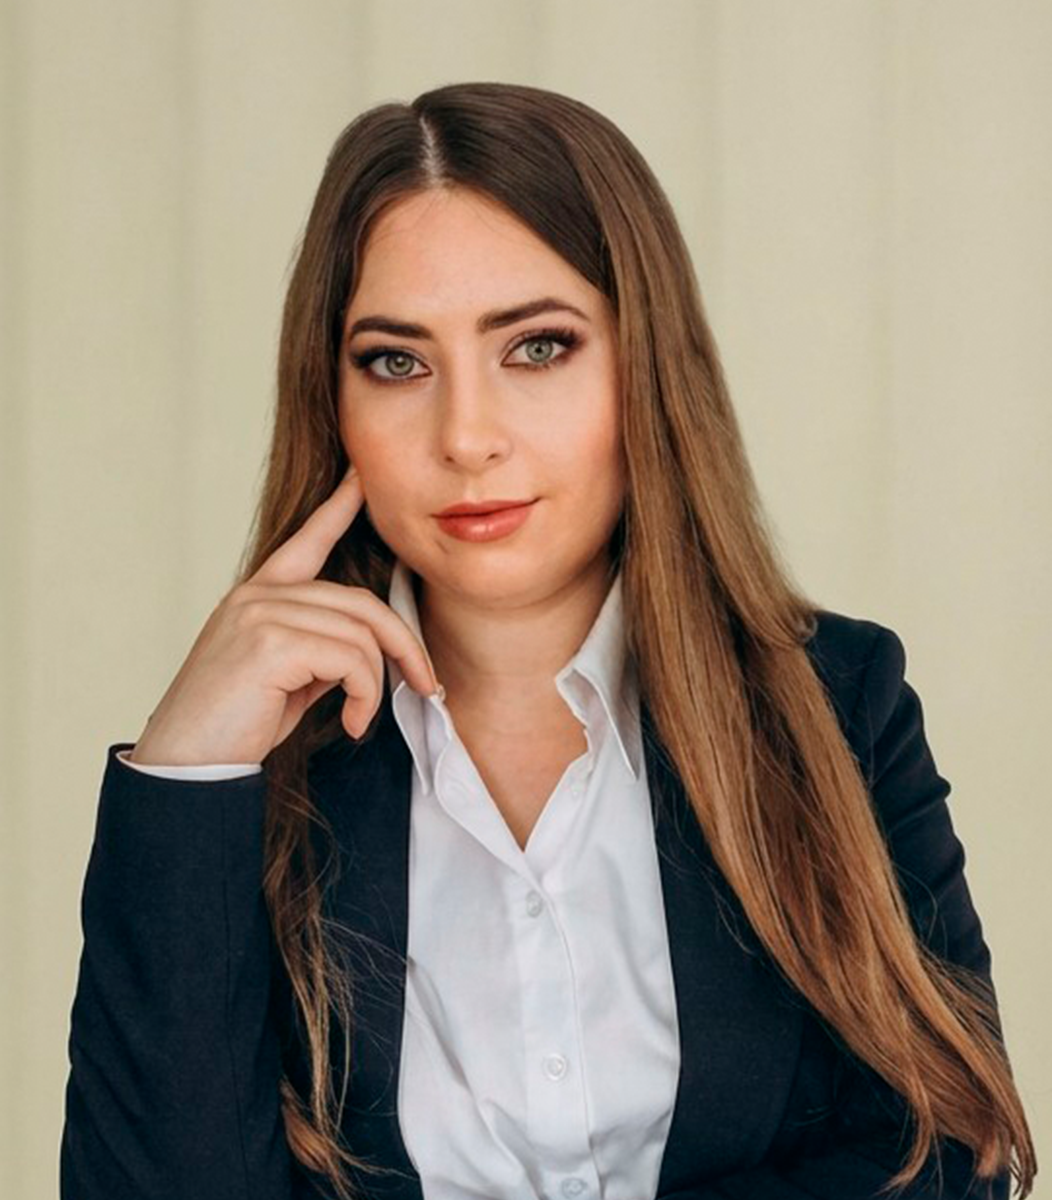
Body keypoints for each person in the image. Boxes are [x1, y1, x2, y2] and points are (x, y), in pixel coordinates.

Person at [61, 82, 1035, 1200]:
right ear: (332, 401)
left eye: (536, 346)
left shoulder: (836, 700)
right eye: (395, 361)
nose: (466, 436)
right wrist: (185, 779)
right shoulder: (253, 763)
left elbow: (950, 1157)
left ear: (643, 363)